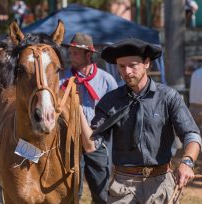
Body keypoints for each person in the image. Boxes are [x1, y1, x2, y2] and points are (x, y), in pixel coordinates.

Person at [79, 38, 201, 203]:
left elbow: (191, 135)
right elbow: (91, 145)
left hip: (162, 184)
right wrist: (77, 108)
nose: (127, 72)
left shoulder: (168, 97)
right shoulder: (109, 101)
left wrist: (187, 161)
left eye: (132, 65)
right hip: (123, 185)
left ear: (147, 63)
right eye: (121, 66)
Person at [60, 33, 118, 203]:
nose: (71, 57)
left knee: (102, 193)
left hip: (98, 143)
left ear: (88, 55)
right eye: (70, 53)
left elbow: (115, 112)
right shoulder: (62, 78)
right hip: (69, 143)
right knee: (72, 194)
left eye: (75, 53)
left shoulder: (106, 80)